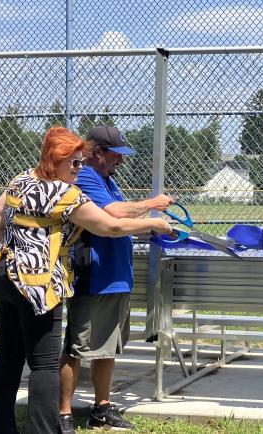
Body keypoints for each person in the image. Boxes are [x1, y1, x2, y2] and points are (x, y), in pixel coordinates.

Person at [0, 126, 172, 434]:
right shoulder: (65, 193)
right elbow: (108, 226)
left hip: (5, 276)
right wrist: (154, 221)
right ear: (55, 159)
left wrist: (3, 256)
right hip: (39, 286)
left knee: (7, 360)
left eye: (81, 162)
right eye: (74, 162)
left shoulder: (20, 180)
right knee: (44, 366)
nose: (79, 168)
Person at [58, 125, 173, 432]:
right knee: (76, 348)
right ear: (96, 153)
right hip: (95, 277)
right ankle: (64, 414)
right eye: (115, 155)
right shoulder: (84, 177)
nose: (120, 161)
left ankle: (101, 408)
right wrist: (152, 206)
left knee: (107, 348)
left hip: (117, 278)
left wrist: (155, 229)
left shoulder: (108, 179)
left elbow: (124, 219)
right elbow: (114, 213)